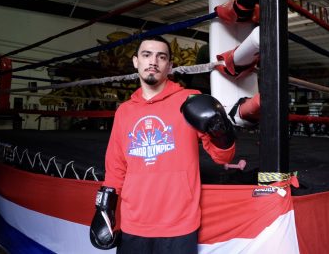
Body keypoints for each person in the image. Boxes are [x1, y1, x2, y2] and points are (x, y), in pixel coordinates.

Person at [90, 35, 236, 254]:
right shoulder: (124, 111)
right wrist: (104, 209)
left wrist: (221, 131)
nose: (153, 62)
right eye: (146, 55)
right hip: (134, 222)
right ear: (136, 62)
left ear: (170, 66)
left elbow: (222, 157)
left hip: (179, 224)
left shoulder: (190, 101)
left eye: (161, 57)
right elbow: (116, 167)